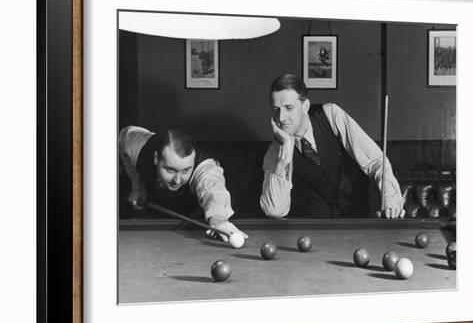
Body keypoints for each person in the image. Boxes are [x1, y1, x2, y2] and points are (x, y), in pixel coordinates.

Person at [260, 74, 404, 219]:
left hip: (364, 212)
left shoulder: (331, 114)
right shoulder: (275, 151)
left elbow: (375, 161)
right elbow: (275, 211)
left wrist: (390, 200)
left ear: (305, 106)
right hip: (319, 225)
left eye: (288, 108)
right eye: (276, 109)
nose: (281, 118)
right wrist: (284, 156)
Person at [119, 125, 247, 242]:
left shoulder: (204, 168)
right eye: (170, 170)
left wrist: (218, 219)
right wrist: (137, 185)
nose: (178, 180)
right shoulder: (138, 146)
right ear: (156, 158)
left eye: (186, 170)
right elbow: (124, 136)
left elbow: (214, 190)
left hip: (191, 219)